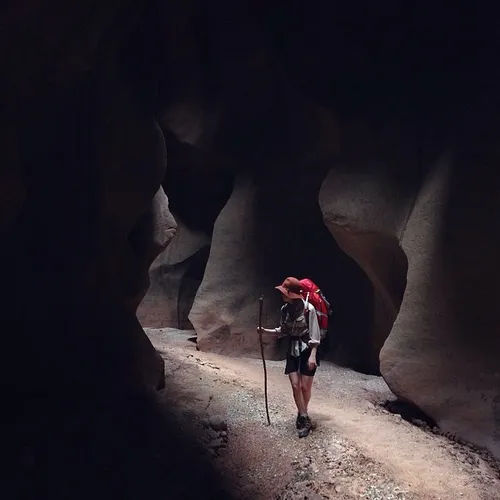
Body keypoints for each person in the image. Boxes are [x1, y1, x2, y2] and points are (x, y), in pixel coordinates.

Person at [257, 277, 321, 438]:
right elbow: (283, 330)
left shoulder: (309, 309)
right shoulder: (285, 309)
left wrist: (313, 355)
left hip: (307, 349)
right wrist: (265, 331)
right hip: (292, 348)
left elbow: (315, 334)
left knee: (305, 387)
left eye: (284, 292)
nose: (282, 295)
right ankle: (304, 417)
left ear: (292, 294)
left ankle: (302, 412)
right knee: (295, 385)